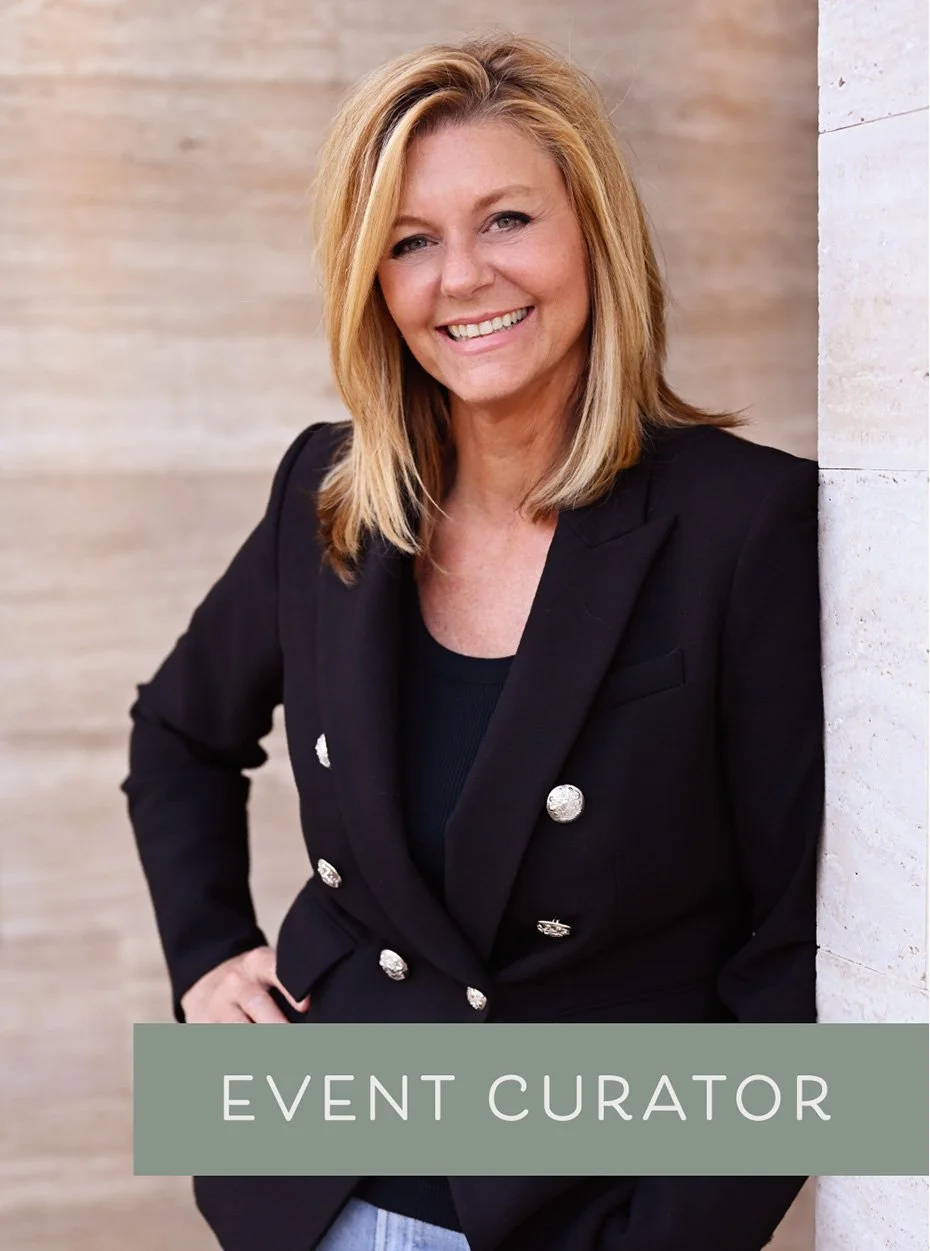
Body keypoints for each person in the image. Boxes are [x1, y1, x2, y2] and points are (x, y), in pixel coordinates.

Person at [121, 32, 824, 1251]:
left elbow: (798, 943)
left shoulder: (747, 522)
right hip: (300, 1186)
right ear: (372, 283)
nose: (461, 278)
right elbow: (178, 733)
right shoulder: (329, 492)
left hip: (579, 1207)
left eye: (507, 220)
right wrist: (207, 957)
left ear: (593, 235)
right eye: (410, 241)